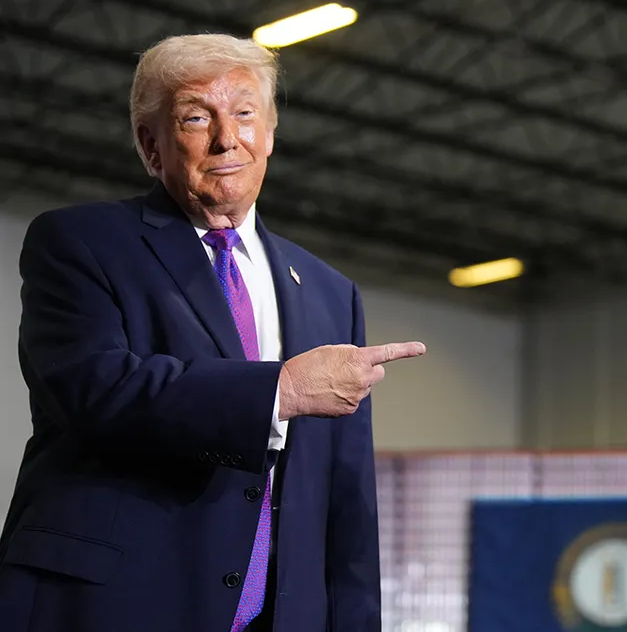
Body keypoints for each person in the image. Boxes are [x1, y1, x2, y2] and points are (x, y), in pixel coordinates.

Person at [0, 33, 426, 632]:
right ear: (151, 146)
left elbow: (346, 495)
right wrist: (279, 392)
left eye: (246, 113)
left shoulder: (331, 291)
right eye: (197, 118)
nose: (228, 138)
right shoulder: (79, 243)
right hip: (114, 605)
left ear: (270, 133)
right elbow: (97, 391)